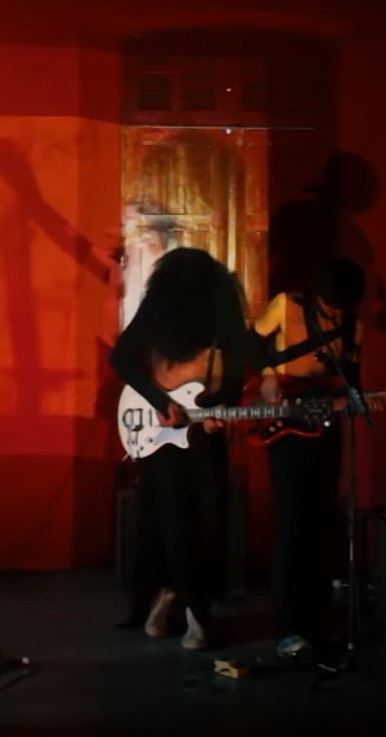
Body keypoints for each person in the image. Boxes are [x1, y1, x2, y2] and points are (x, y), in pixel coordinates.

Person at [109, 247, 252, 651]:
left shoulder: (223, 304)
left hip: (203, 431)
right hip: (161, 433)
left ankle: (194, 609)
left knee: (207, 519)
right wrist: (159, 401)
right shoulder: (159, 306)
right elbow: (121, 357)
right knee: (168, 519)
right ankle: (170, 595)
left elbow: (235, 370)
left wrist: (222, 405)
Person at [248, 257, 380, 659]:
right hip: (286, 424)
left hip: (325, 426)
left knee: (322, 524)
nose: (336, 314)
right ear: (318, 297)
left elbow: (350, 378)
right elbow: (249, 345)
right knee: (290, 524)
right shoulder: (285, 306)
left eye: (342, 309)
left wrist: (359, 399)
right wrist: (267, 375)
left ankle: (319, 623)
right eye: (330, 307)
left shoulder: (354, 326)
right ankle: (288, 629)